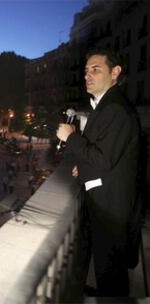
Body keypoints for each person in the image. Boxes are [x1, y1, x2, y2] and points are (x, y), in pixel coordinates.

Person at [56, 48, 140, 296]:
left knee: (111, 277)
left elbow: (102, 159)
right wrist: (81, 168)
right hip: (107, 207)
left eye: (96, 69)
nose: (87, 76)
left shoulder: (115, 109)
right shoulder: (107, 107)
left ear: (115, 73)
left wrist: (71, 138)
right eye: (85, 71)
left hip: (111, 210)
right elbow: (104, 154)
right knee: (107, 272)